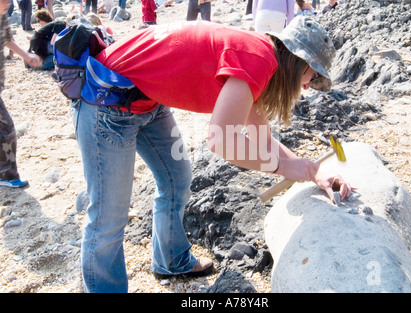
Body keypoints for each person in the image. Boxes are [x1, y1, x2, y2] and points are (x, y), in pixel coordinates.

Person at [72, 15, 353, 292]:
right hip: (108, 98)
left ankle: (171, 261)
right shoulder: (258, 59)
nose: (307, 85)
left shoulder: (262, 59)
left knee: (175, 180)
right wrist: (283, 167)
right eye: (313, 74)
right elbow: (221, 140)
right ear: (298, 60)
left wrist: (313, 171)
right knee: (108, 217)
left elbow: (262, 139)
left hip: (147, 99)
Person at [0, 0, 42, 188]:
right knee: (6, 126)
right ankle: (7, 175)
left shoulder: (3, 17)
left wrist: (26, 56)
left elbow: (7, 39)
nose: (9, 2)